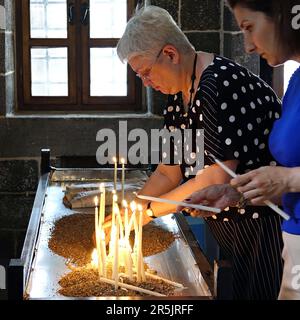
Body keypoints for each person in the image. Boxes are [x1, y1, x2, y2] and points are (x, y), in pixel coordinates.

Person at [105, 5, 284, 299]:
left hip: (264, 230)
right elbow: (167, 171)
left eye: (147, 73)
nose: (147, 83)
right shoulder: (179, 95)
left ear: (171, 54)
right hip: (232, 231)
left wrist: (147, 213)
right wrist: (130, 212)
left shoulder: (219, 84)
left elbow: (213, 180)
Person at [179, 0, 300, 300]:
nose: (247, 46)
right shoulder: (296, 82)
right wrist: (236, 194)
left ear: (284, 16)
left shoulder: (216, 84)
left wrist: (287, 179)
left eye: (249, 28)